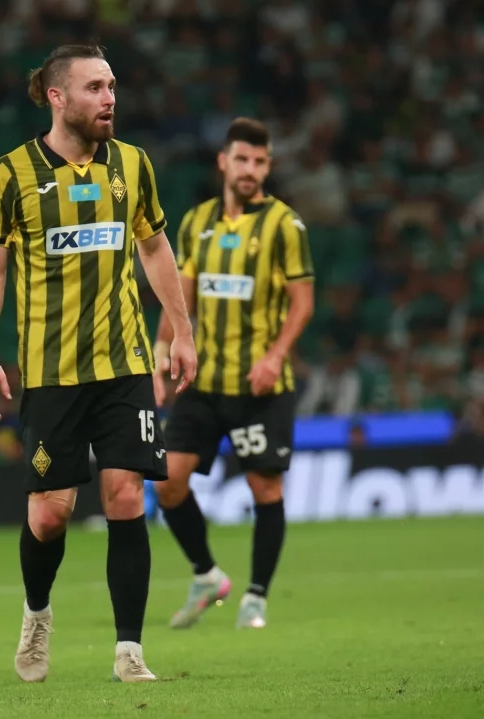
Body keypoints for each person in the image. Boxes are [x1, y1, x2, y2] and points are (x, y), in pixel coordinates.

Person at [0, 44, 197, 684]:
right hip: (51, 372)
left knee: (125, 495)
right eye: (95, 88)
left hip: (124, 364)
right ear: (57, 97)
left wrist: (181, 332)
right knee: (50, 514)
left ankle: (129, 651)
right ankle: (37, 613)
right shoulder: (9, 175)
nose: (109, 98)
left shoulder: (133, 163)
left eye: (112, 86)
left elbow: (155, 247)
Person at [152, 118, 315, 630]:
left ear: (268, 167)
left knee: (265, 490)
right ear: (223, 162)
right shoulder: (196, 221)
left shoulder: (285, 225)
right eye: (242, 159)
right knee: (167, 483)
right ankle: (206, 575)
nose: (250, 170)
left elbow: (303, 303)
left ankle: (256, 597)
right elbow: (180, 296)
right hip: (202, 382)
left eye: (260, 162)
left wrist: (275, 357)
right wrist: (162, 349)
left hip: (259, 386)